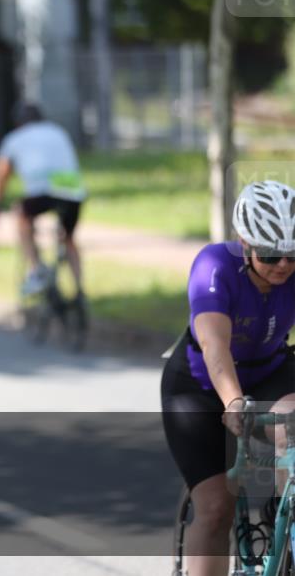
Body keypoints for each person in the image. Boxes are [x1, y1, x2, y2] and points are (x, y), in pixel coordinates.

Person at [161, 180, 295, 576]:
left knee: (292, 426)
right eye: (270, 254)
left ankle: (286, 523)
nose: (283, 265)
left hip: (270, 371)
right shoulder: (214, 265)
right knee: (217, 506)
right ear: (244, 243)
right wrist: (234, 402)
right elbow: (214, 345)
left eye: (292, 254)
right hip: (200, 385)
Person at [0, 102, 87, 297]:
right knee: (68, 238)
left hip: (42, 191)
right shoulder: (58, 132)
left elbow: (2, 173)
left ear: (18, 123)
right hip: (73, 190)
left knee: (22, 216)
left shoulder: (14, 138)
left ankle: (36, 269)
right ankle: (79, 289)